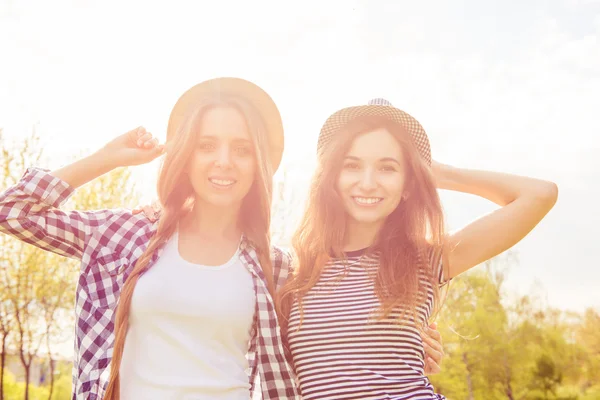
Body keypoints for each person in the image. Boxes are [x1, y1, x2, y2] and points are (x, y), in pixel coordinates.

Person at [0, 77, 301, 400]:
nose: (224, 161)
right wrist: (108, 157)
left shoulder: (277, 266)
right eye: (206, 146)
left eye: (242, 149)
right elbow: (13, 212)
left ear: (259, 164)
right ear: (185, 156)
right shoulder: (125, 234)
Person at [275, 98, 558, 399]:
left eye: (387, 168)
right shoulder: (293, 271)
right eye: (352, 166)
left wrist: (437, 174)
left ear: (408, 184)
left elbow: (540, 195)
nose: (368, 183)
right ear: (331, 178)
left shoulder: (425, 261)